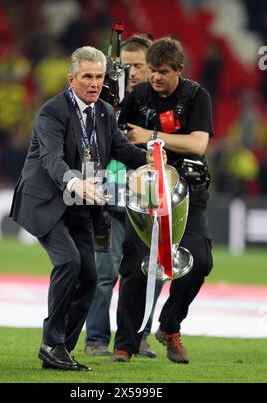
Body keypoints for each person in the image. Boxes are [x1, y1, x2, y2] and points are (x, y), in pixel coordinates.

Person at [10, 46, 148, 372]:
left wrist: (151, 158)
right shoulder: (52, 112)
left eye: (99, 77)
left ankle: (61, 349)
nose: (94, 83)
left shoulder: (103, 112)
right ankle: (52, 343)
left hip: (82, 207)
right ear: (71, 78)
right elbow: (51, 159)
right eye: (87, 76)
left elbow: (122, 150)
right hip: (48, 201)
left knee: (89, 275)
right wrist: (75, 183)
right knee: (69, 262)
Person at [112, 37, 214, 363]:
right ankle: (125, 346)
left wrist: (151, 137)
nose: (155, 77)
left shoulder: (197, 96)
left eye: (163, 72)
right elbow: (119, 135)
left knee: (200, 261)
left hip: (189, 192)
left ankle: (169, 326)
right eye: (152, 71)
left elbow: (198, 145)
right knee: (134, 265)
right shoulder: (136, 97)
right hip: (145, 194)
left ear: (179, 70)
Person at [85, 35, 163, 358]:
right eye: (125, 66)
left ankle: (138, 337)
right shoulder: (100, 101)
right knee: (104, 272)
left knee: (150, 273)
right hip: (106, 195)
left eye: (138, 66)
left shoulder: (160, 104)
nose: (131, 72)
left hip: (145, 198)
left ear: (151, 68)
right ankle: (96, 341)